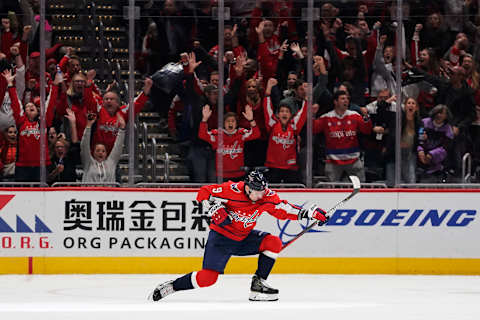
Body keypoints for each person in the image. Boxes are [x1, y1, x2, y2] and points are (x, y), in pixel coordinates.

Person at [148, 170, 328, 302]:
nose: (260, 195)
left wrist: (310, 213)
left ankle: (258, 286)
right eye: (256, 191)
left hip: (244, 238)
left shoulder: (266, 197)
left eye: (262, 191)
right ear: (247, 188)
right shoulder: (231, 190)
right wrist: (212, 208)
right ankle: (172, 286)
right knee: (207, 279)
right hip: (221, 239)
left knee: (273, 242)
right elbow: (203, 192)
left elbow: (285, 209)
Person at [198, 105, 260, 181]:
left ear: (236, 124)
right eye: (228, 121)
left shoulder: (241, 134)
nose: (230, 123)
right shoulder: (217, 134)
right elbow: (202, 135)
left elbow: (256, 134)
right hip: (222, 175)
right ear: (223, 123)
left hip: (239, 174)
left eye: (233, 121)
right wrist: (204, 119)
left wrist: (251, 120)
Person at [80, 112, 125, 183]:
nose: (100, 153)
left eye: (103, 151)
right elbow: (84, 145)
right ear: (93, 153)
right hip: (89, 193)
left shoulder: (111, 163)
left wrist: (122, 129)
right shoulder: (88, 162)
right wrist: (88, 126)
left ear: (106, 153)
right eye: (97, 150)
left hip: (109, 193)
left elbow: (118, 146)